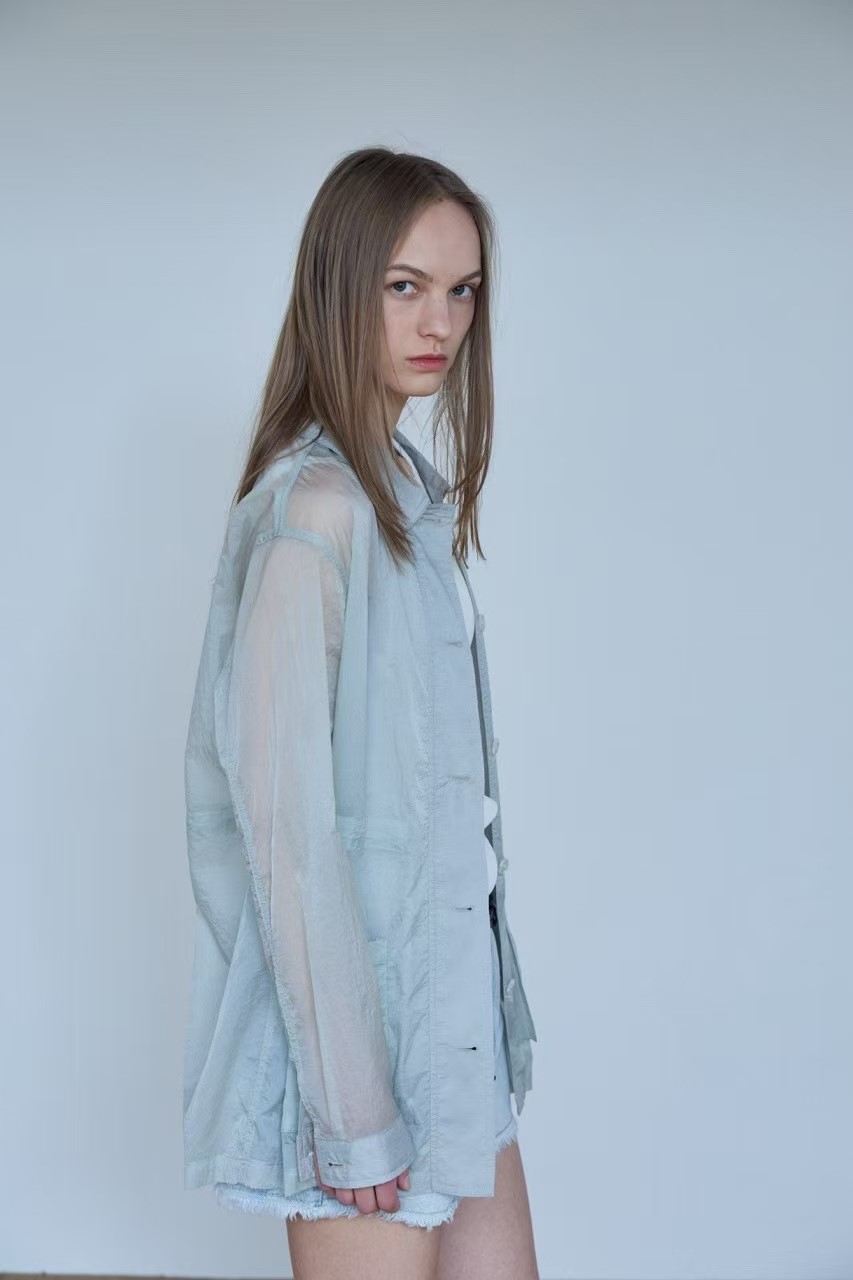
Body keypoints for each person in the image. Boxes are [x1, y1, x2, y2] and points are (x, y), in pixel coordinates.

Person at [182, 146, 540, 1279]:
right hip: (363, 1065)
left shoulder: (404, 500)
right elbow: (284, 833)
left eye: (462, 289)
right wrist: (353, 1111)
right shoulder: (317, 511)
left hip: (450, 1037)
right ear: (340, 286)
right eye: (405, 285)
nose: (441, 322)